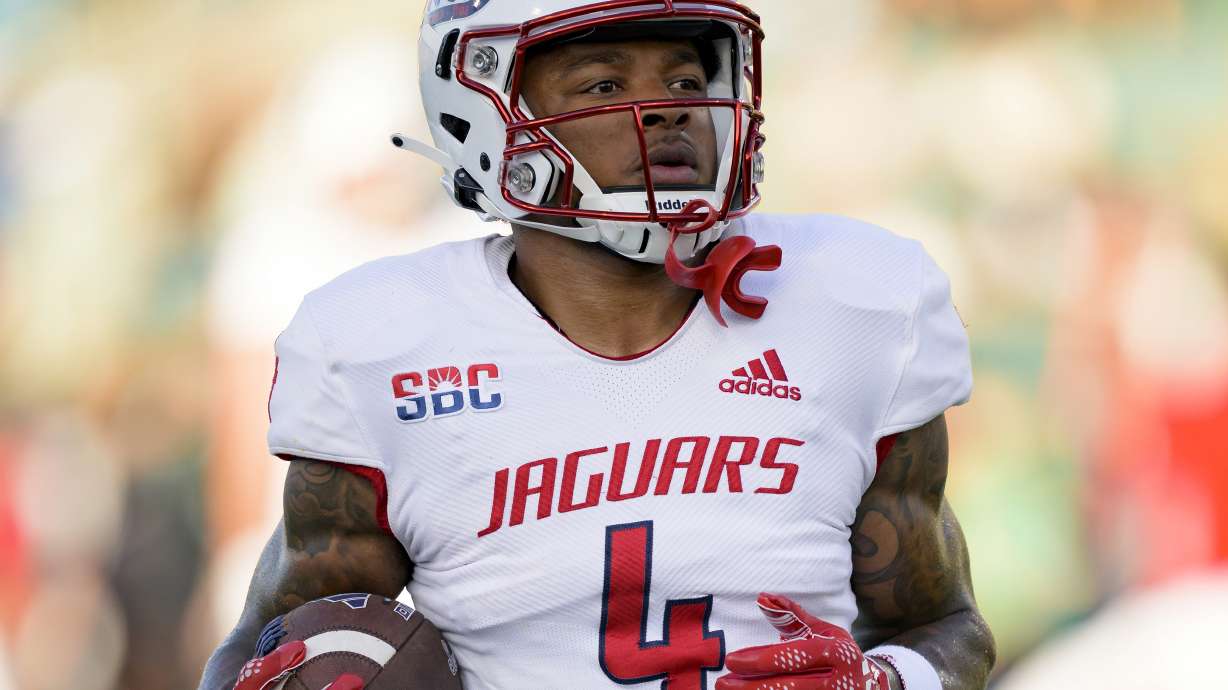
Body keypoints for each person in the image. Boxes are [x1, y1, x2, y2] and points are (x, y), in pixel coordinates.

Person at [198, 2, 996, 689]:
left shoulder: (852, 303)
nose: (669, 109)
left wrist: (888, 680)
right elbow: (268, 647)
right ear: (486, 107)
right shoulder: (385, 350)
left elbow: (948, 624)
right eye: (606, 85)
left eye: (685, 80)